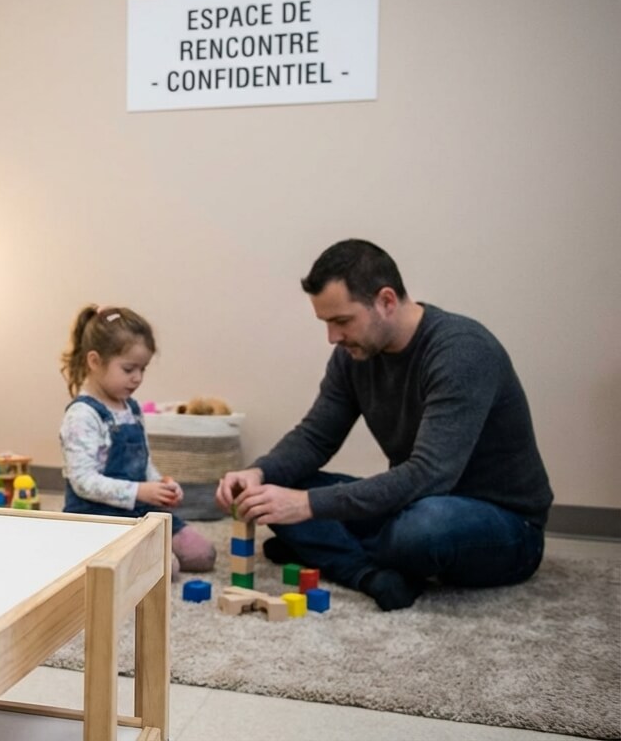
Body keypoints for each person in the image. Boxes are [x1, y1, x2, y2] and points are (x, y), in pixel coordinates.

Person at [216, 239, 552, 611]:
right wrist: (258, 474)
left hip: (501, 524)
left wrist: (309, 507)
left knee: (419, 531)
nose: (333, 337)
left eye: (342, 321)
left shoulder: (461, 351)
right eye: (326, 323)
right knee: (272, 492)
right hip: (411, 504)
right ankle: (367, 573)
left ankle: (326, 546)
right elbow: (315, 436)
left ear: (386, 301)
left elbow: (429, 474)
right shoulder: (353, 356)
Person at [59, 305, 217, 577]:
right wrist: (139, 491)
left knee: (203, 554)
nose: (138, 378)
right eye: (129, 369)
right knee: (168, 568)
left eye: (142, 369)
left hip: (139, 510)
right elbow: (83, 481)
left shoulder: (132, 408)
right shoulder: (82, 415)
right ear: (94, 361)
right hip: (97, 516)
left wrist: (160, 485)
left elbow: (144, 464)